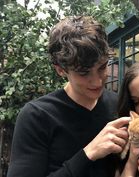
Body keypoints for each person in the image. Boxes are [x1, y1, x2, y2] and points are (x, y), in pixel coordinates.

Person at [7, 16, 131, 177]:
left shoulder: (118, 104)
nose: (97, 81)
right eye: (83, 72)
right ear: (60, 70)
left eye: (102, 67)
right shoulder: (37, 116)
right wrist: (88, 153)